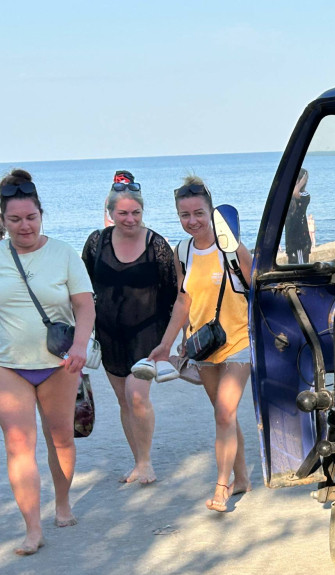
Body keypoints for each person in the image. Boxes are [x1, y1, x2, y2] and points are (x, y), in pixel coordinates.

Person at [0, 169, 95, 555]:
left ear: (42, 214)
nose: (24, 226)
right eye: (15, 219)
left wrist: (81, 346)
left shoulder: (64, 253)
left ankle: (63, 502)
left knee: (61, 438)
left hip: (60, 363)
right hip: (8, 366)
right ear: (3, 220)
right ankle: (33, 529)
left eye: (31, 217)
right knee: (18, 443)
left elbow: (84, 306)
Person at [149, 177, 253, 512]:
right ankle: (242, 478)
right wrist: (167, 344)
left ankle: (221, 487)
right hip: (203, 345)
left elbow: (258, 292)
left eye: (198, 213)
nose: (192, 220)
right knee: (225, 415)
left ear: (211, 212)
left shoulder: (233, 249)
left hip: (239, 341)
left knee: (224, 412)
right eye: (185, 215)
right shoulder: (183, 251)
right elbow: (184, 301)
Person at [82, 179, 178, 485]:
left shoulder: (157, 245)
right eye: (123, 213)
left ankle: (146, 462)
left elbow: (174, 294)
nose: (130, 219)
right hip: (109, 335)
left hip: (147, 334)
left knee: (136, 396)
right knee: (124, 401)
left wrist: (169, 341)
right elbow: (82, 287)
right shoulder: (96, 242)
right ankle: (138, 461)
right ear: (110, 213)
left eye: (136, 212)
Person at [285, 168, 311, 264]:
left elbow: (295, 192)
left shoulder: (305, 195)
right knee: (292, 264)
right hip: (291, 237)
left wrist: (301, 182)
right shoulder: (289, 195)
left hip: (300, 239)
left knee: (299, 265)